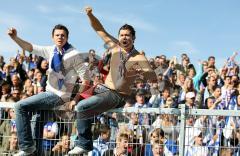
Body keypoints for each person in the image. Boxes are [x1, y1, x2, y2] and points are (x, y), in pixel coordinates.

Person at [68, 6, 157, 155]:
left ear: (133, 38)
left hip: (116, 95)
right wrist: (90, 15)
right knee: (72, 94)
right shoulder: (115, 47)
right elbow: (99, 29)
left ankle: (84, 144)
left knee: (82, 106)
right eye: (122, 35)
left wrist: (142, 71)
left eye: (128, 35)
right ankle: (77, 139)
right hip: (102, 88)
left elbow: (152, 77)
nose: (124, 37)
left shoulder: (138, 58)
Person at [7, 24, 90, 156]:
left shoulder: (74, 54)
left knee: (19, 106)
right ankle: (34, 151)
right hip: (48, 95)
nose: (60, 37)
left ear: (67, 37)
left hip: (58, 96)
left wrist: (75, 99)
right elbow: (29, 47)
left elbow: (86, 80)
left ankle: (27, 146)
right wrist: (15, 38)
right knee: (37, 121)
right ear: (52, 37)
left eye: (63, 35)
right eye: (57, 35)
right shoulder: (51, 50)